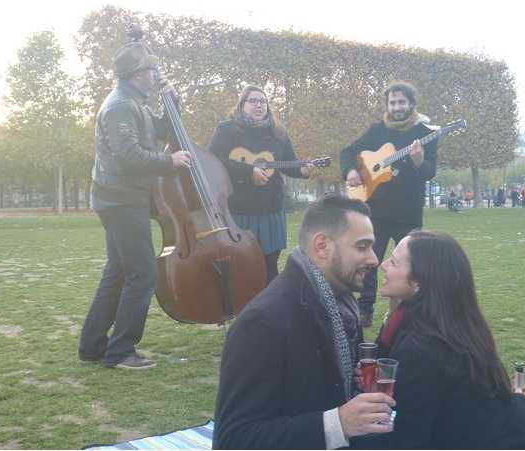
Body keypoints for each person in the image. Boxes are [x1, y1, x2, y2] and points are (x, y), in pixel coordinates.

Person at [351, 230, 525, 449]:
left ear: (418, 282)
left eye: (394, 262)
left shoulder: (425, 347)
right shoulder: (440, 320)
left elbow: (407, 438)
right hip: (522, 425)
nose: (383, 265)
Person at [213, 195, 395, 449]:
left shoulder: (341, 303)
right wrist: (338, 424)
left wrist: (355, 386)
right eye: (362, 246)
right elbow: (234, 439)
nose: (374, 259)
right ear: (322, 246)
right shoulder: (264, 322)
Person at [78, 41, 191, 369]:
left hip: (119, 198)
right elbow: (128, 156)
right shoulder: (120, 106)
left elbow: (161, 129)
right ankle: (121, 352)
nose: (155, 74)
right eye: (150, 70)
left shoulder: (135, 102)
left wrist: (173, 102)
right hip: (121, 200)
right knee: (142, 274)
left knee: (117, 272)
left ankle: (92, 346)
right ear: (136, 74)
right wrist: (170, 162)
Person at [340, 81, 437, 327]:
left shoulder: (426, 132)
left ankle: (414, 310)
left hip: (409, 211)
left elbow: (429, 172)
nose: (397, 107)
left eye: (401, 102)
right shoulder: (377, 131)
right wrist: (351, 170)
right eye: (393, 102)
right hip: (378, 210)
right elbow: (348, 151)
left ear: (411, 104)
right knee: (370, 262)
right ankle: (365, 311)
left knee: (413, 264)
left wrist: (418, 161)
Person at [209, 85, 312, 284]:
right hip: (239, 210)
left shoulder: (278, 133)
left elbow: (289, 163)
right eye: (253, 101)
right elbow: (213, 159)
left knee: (270, 266)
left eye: (263, 101)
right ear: (242, 104)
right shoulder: (227, 129)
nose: (259, 105)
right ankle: (243, 311)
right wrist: (249, 173)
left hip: (270, 210)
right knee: (240, 265)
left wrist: (302, 171)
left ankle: (269, 310)